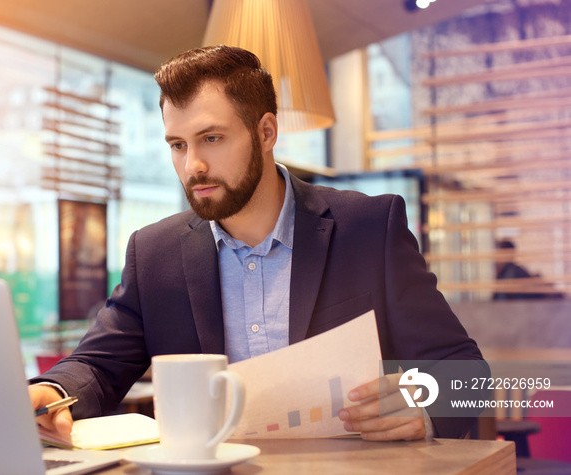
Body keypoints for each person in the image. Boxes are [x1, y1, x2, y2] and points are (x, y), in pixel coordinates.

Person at [30, 45, 485, 441]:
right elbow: (94, 367)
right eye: (177, 145)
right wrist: (48, 394)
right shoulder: (154, 254)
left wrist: (423, 406)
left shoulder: (369, 227)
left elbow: (467, 376)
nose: (194, 166)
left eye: (211, 138)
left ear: (266, 132)